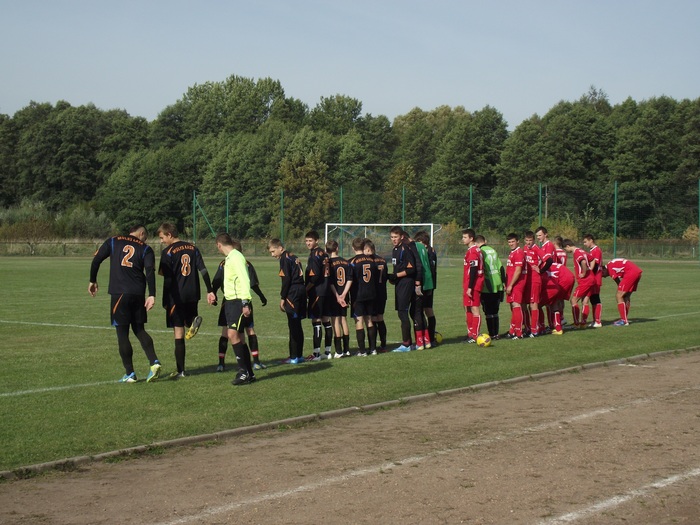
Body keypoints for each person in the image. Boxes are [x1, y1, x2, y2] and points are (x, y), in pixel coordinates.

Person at [89, 225, 162, 383]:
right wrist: (152, 294)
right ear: (141, 233)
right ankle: (154, 361)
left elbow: (96, 260)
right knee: (139, 329)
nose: (145, 239)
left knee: (122, 333)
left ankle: (130, 373)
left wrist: (92, 280)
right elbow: (149, 271)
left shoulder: (113, 241)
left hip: (119, 293)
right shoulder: (146, 248)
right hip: (138, 293)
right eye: (145, 236)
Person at [157, 222, 215, 379]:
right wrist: (210, 290)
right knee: (188, 322)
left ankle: (181, 371)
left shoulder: (168, 252)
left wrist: (164, 300)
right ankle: (193, 321)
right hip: (193, 293)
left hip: (176, 296)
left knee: (178, 332)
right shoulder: (193, 248)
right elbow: (203, 270)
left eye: (162, 238)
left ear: (169, 234)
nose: (162, 241)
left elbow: (167, 278)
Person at [212, 238, 268, 372]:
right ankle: (253, 364)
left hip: (238, 300)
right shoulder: (239, 262)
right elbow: (252, 284)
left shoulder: (232, 260)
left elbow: (217, 281)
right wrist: (261, 296)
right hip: (235, 301)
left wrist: (213, 292)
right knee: (246, 331)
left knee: (230, 333)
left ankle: (228, 365)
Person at [214, 233, 256, 385]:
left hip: (237, 302)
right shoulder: (230, 257)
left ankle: (243, 372)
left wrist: (245, 302)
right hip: (231, 301)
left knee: (232, 335)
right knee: (239, 337)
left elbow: (244, 279)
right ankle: (249, 373)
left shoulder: (236, 257)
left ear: (219, 245)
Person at [268, 238, 307, 363]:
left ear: (280, 248)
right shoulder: (293, 256)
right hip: (301, 289)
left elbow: (286, 280)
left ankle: (293, 357)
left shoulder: (284, 258)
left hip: (293, 292)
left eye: (273, 251)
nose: (272, 255)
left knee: (293, 324)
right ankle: (299, 355)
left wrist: (282, 297)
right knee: (298, 324)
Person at [388, 226, 418, 352]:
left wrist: (396, 275)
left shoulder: (405, 249)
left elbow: (411, 269)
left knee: (403, 312)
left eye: (396, 237)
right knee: (402, 312)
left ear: (401, 237)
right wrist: (394, 278)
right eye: (392, 237)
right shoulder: (395, 249)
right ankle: (411, 342)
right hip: (400, 283)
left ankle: (406, 344)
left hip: (406, 283)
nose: (393, 239)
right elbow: (398, 267)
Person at [304, 230, 332, 361]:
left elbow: (314, 277)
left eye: (310, 241)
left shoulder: (315, 254)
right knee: (326, 320)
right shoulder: (324, 253)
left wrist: (306, 289)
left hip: (317, 292)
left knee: (316, 321)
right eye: (306, 241)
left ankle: (316, 354)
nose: (308, 243)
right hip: (327, 291)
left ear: (317, 241)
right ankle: (328, 352)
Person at [348, 237, 378, 356]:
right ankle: (373, 349)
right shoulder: (371, 260)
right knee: (369, 320)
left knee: (359, 321)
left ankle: (362, 350)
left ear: (353, 248)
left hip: (358, 295)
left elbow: (350, 280)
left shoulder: (352, 262)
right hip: (371, 293)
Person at [476, 235, 505, 340]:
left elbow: (480, 269)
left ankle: (492, 334)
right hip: (498, 283)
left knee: (488, 312)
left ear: (476, 243)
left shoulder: (480, 252)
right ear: (485, 241)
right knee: (495, 311)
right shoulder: (493, 250)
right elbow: (501, 268)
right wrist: (503, 282)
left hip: (487, 285)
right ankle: (496, 334)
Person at [326, 239, 352, 358]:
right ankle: (347, 349)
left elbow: (330, 282)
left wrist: (337, 296)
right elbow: (350, 279)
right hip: (344, 293)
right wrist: (344, 294)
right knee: (343, 320)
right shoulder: (346, 262)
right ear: (337, 248)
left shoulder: (328, 263)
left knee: (335, 321)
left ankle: (339, 351)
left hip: (334, 295)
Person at [363, 239, 389, 351]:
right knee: (380, 317)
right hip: (382, 292)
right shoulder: (382, 260)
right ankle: (383, 345)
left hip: (372, 293)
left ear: (369, 249)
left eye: (364, 249)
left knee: (372, 319)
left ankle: (372, 346)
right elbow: (385, 276)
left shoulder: (368, 261)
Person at [563, 239, 595, 329]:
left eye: (565, 249)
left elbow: (583, 262)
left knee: (573, 300)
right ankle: (583, 323)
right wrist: (590, 269)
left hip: (585, 281)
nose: (566, 251)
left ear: (568, 246)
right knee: (585, 302)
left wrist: (584, 273)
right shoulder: (582, 251)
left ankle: (576, 323)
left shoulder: (577, 253)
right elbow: (592, 259)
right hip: (591, 279)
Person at [602, 258, 643, 326]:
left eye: (603, 275)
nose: (604, 277)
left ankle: (624, 320)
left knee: (619, 296)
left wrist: (620, 288)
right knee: (626, 296)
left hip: (631, 273)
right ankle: (624, 318)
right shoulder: (611, 264)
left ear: (603, 269)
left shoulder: (609, 267)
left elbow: (617, 280)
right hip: (637, 272)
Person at [414, 231, 436, 348]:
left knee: (423, 310)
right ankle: (430, 338)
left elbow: (429, 269)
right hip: (430, 284)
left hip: (426, 284)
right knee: (427, 310)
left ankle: (429, 338)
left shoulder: (428, 252)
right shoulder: (430, 251)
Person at [462, 228, 484, 344]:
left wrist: (470, 287)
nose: (463, 239)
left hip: (474, 284)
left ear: (471, 238)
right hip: (469, 283)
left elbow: (474, 269)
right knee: (468, 307)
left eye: (465, 237)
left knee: (475, 309)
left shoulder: (473, 251)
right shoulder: (475, 250)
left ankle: (475, 335)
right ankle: (470, 333)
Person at [540, 261, 575, 335]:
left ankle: (557, 324)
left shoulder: (542, 267)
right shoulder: (550, 264)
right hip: (570, 276)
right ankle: (560, 321)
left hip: (563, 279)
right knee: (559, 300)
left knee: (554, 301)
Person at [504, 233, 527, 339]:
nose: (511, 244)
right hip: (511, 284)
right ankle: (512, 331)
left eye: (513, 241)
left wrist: (511, 285)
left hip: (517, 284)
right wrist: (507, 284)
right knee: (513, 306)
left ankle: (519, 332)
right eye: (509, 242)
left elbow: (518, 271)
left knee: (516, 305)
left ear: (518, 241)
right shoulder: (512, 252)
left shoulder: (519, 253)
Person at [583, 234, 603, 328]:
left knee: (595, 298)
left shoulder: (596, 250)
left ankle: (598, 321)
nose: (584, 244)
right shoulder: (592, 251)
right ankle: (595, 320)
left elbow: (596, 265)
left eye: (585, 242)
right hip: (593, 278)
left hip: (595, 278)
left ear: (591, 240)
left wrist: (589, 274)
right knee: (592, 299)